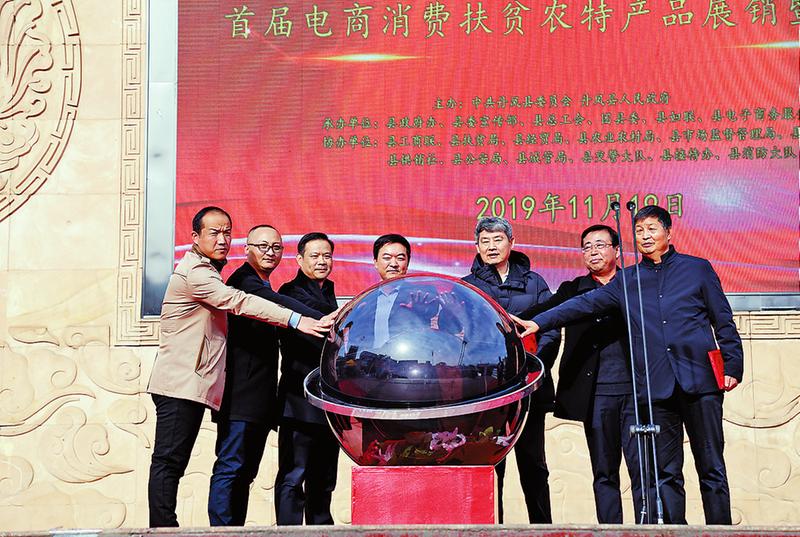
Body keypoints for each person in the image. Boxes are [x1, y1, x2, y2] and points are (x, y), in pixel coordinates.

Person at [516, 205, 743, 525]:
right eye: (639, 231)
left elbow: (723, 319)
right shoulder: (628, 281)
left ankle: (720, 530)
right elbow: (582, 304)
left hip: (700, 381)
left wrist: (732, 365)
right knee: (665, 472)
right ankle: (673, 532)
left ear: (668, 232)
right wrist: (538, 323)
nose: (645, 236)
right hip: (657, 388)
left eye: (652, 229)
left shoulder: (697, 269)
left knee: (711, 467)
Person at [146, 207, 333, 528]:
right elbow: (242, 301)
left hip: (219, 388)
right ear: (195, 237)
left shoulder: (216, 273)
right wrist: (299, 320)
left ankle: (229, 530)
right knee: (186, 463)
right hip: (193, 385)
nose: (222, 240)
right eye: (214, 233)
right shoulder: (211, 275)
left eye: (226, 233)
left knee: (239, 470)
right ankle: (174, 530)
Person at [208, 224, 324, 526]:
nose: (270, 252)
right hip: (239, 395)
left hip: (260, 398)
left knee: (245, 472)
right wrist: (317, 319)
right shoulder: (244, 281)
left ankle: (234, 530)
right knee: (231, 467)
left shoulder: (263, 283)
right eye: (262, 246)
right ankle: (221, 532)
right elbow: (277, 303)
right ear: (247, 249)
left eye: (276, 247)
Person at [528, 224, 642, 523]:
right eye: (587, 247)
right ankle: (611, 530)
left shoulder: (635, 284)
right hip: (596, 395)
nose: (593, 252)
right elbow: (542, 313)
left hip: (636, 392)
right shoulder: (572, 289)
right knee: (604, 472)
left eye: (600, 245)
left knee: (642, 470)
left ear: (616, 250)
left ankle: (647, 529)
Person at [462, 216, 560, 523]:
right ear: (477, 246)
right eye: (485, 241)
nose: (491, 247)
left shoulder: (535, 283)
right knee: (490, 467)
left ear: (512, 243)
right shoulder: (467, 287)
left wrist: (534, 367)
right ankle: (491, 528)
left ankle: (542, 528)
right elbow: (460, 338)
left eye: (498, 240)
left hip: (529, 389)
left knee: (534, 465)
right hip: (486, 393)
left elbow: (551, 329)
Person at [275, 233, 340, 525]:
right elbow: (321, 322)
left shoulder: (329, 293)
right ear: (300, 260)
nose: (322, 261)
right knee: (293, 475)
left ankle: (321, 530)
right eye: (314, 256)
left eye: (327, 255)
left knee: (324, 479)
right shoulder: (290, 293)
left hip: (328, 403)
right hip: (298, 402)